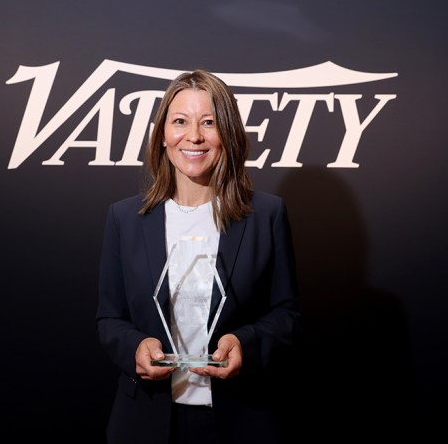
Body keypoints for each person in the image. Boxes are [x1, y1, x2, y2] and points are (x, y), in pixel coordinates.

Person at [96, 69, 301, 444]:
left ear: (228, 134)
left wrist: (245, 343)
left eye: (209, 122)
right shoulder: (124, 218)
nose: (193, 136)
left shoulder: (266, 215)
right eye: (180, 122)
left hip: (241, 419)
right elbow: (110, 318)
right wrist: (136, 348)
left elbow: (286, 314)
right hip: (146, 419)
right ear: (162, 135)